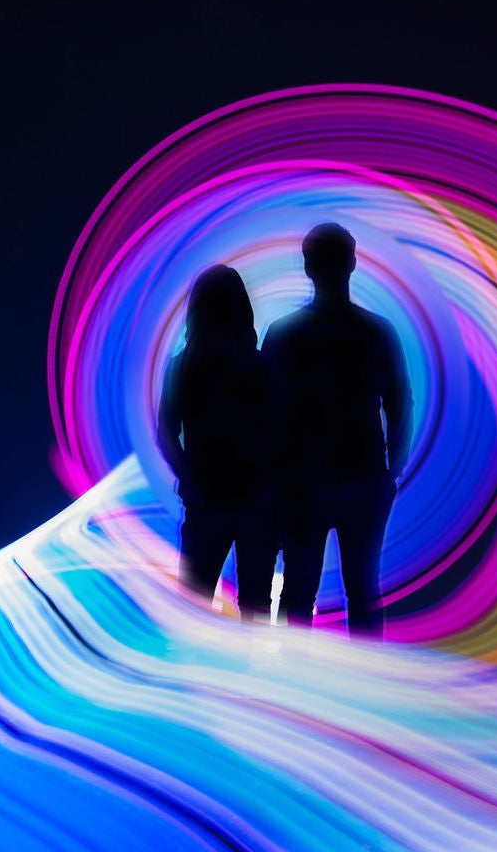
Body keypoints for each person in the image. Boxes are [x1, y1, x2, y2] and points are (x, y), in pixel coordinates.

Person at [262, 223, 411, 636]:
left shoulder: (283, 333)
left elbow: (264, 413)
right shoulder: (376, 331)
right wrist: (390, 474)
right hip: (361, 477)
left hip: (301, 483)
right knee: (362, 590)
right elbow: (400, 406)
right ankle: (364, 683)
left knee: (298, 591)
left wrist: (271, 482)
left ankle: (293, 684)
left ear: (307, 266)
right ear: (352, 263)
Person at [156, 264, 277, 620]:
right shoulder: (261, 369)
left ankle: (192, 672)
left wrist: (191, 478)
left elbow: (165, 431)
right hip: (255, 502)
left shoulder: (183, 367)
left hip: (208, 503)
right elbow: (279, 433)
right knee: (254, 607)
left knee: (193, 607)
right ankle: (249, 674)